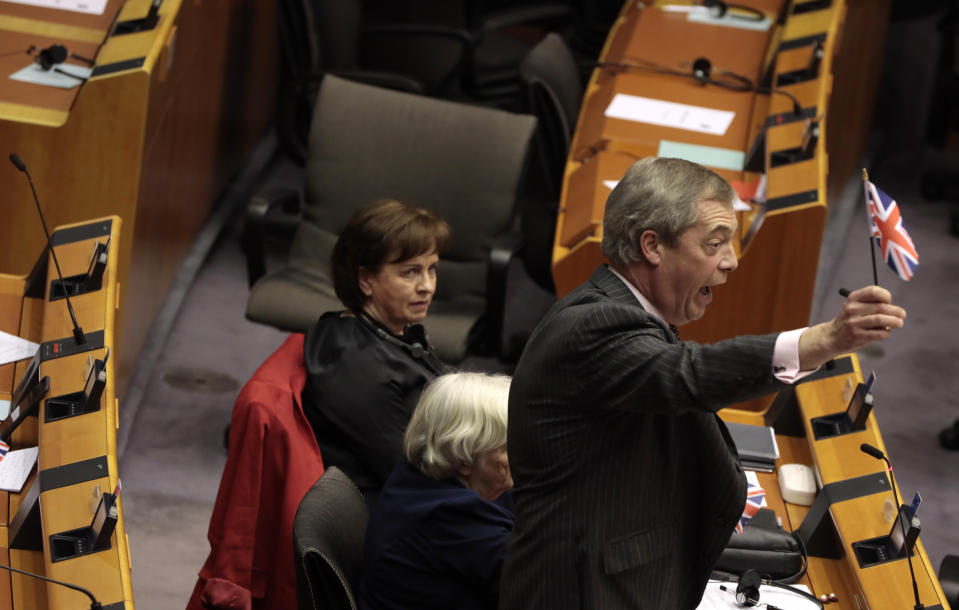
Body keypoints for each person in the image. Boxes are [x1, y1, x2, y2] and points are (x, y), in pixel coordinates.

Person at [499, 157, 907, 610]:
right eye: (715, 244)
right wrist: (825, 339)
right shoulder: (596, 324)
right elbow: (686, 375)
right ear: (652, 245)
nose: (731, 262)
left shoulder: (626, 311)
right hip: (583, 588)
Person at [301, 199, 451, 500]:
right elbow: (407, 478)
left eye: (431, 269)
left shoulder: (390, 332)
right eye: (410, 273)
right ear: (365, 280)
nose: (427, 286)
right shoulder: (357, 366)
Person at [358, 372, 514, 610]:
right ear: (464, 460)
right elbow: (541, 583)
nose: (518, 453)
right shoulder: (451, 516)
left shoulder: (417, 474)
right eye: (506, 446)